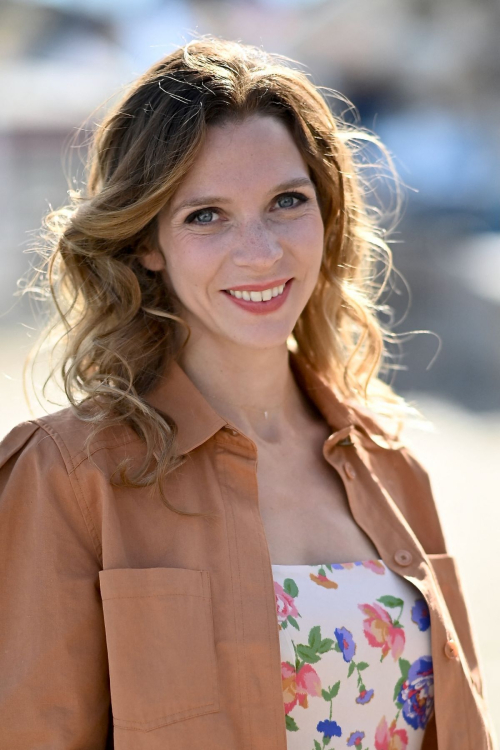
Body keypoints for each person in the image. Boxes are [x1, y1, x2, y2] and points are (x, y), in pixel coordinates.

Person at [0, 36, 496, 750]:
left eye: (286, 202)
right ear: (147, 242)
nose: (260, 250)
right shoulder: (68, 476)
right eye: (206, 215)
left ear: (327, 215)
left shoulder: (390, 466)